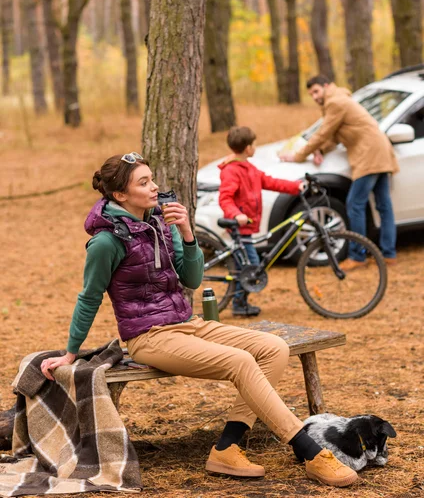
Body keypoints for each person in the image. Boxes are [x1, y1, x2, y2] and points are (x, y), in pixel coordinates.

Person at [40, 152, 358, 487]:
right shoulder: (106, 242)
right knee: (240, 362)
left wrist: (187, 232)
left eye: (152, 179)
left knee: (274, 348)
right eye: (144, 183)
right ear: (120, 195)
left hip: (188, 324)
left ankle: (227, 447)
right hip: (149, 336)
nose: (155, 187)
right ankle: (311, 452)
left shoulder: (161, 223)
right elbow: (89, 297)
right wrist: (71, 352)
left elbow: (191, 279)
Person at [280, 75, 399, 269]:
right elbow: (334, 135)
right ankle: (388, 253)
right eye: (311, 94)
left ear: (326, 86)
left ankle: (358, 256)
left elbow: (323, 133)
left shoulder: (336, 102)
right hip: (380, 151)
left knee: (355, 203)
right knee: (383, 204)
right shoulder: (339, 100)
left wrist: (298, 156)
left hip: (369, 154)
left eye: (316, 91)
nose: (314, 96)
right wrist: (320, 150)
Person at [219, 126, 304, 316]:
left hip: (247, 226)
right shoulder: (231, 171)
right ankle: (239, 304)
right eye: (254, 144)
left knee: (247, 265)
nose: (255, 147)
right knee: (252, 266)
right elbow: (225, 198)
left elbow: (271, 182)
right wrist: (235, 215)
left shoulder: (250, 169)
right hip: (239, 226)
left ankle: (240, 300)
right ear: (248, 148)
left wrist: (297, 186)